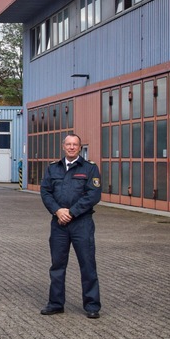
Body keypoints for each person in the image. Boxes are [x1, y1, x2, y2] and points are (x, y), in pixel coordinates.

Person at [39, 134, 102, 319]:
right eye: (69, 144)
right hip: (58, 224)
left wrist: (71, 212)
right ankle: (56, 303)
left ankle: (92, 305)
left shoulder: (90, 168)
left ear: (80, 147)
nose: (72, 147)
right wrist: (58, 211)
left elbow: (93, 195)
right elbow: (45, 192)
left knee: (87, 264)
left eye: (75, 144)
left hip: (81, 223)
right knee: (57, 265)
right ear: (63, 146)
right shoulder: (53, 168)